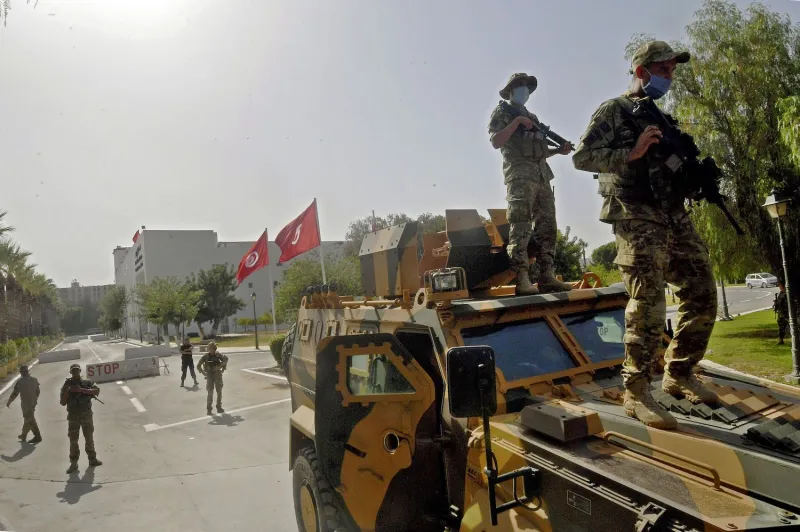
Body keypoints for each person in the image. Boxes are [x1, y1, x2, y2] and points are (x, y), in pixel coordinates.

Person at [572, 40, 718, 430]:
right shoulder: (615, 110)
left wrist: (695, 180)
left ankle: (680, 373)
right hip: (635, 214)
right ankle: (636, 392)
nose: (670, 77)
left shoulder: (661, 118)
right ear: (642, 71)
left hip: (673, 215)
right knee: (649, 302)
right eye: (665, 70)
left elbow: (669, 163)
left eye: (672, 70)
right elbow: (582, 157)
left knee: (702, 290)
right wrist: (630, 153)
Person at [488, 72, 575, 295]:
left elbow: (541, 152)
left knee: (547, 227)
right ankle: (522, 278)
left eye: (527, 87)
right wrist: (517, 121)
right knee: (521, 226)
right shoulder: (503, 112)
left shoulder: (533, 118)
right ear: (510, 90)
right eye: (520, 86)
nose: (525, 90)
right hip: (519, 178)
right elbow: (496, 141)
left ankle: (547, 276)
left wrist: (560, 149)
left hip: (542, 177)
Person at [60, 363, 102, 473]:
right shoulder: (66, 385)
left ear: (80, 371)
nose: (75, 372)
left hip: (86, 415)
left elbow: (97, 391)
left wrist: (81, 390)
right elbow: (62, 403)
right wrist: (68, 391)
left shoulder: (87, 382)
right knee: (73, 440)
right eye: (73, 371)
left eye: (77, 370)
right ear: (70, 372)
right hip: (73, 417)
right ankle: (74, 463)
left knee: (89, 438)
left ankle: (92, 459)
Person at [6, 364, 42, 444]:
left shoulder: (20, 381)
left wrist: (9, 402)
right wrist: (34, 399)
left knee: (30, 419)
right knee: (28, 418)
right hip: (33, 403)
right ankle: (23, 435)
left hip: (26, 404)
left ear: (21, 372)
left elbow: (15, 393)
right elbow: (38, 391)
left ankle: (37, 436)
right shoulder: (35, 379)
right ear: (27, 372)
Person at [197, 341, 228, 415]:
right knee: (210, 392)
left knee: (219, 392)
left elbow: (225, 359)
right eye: (210, 348)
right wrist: (203, 373)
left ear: (215, 348)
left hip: (217, 375)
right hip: (210, 375)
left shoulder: (218, 355)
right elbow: (198, 365)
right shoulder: (205, 356)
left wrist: (222, 367)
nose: (211, 350)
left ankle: (219, 407)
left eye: (213, 348)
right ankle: (209, 409)